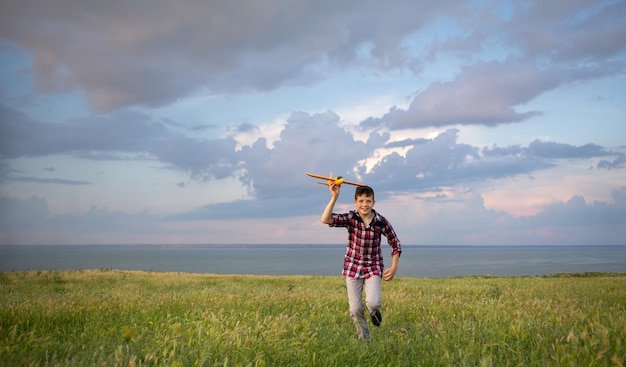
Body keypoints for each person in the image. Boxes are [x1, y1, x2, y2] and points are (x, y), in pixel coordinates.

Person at [321, 182, 401, 340]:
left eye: (368, 201)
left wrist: (394, 267)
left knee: (373, 302)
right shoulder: (351, 218)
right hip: (353, 267)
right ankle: (365, 339)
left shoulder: (380, 221)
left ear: (373, 202)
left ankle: (374, 312)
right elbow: (326, 219)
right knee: (355, 309)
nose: (365, 204)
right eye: (361, 201)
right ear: (356, 202)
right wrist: (334, 197)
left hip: (373, 267)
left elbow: (395, 243)